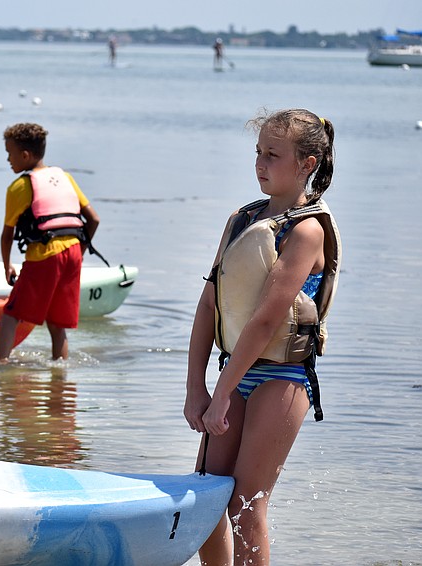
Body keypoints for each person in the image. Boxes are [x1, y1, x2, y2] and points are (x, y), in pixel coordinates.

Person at [183, 109, 341, 565]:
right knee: (206, 500)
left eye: (273, 155)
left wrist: (221, 395)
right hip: (233, 372)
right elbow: (208, 304)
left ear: (307, 163)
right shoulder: (241, 220)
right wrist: (197, 388)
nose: (260, 163)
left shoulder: (307, 231)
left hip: (281, 377)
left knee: (246, 505)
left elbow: (266, 322)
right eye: (258, 153)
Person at [0, 123, 100, 361]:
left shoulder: (20, 186)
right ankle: (60, 378)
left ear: (24, 155)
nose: (8, 159)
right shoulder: (65, 177)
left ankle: (0, 368)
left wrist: (6, 265)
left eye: (9, 153)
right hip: (73, 253)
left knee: (11, 315)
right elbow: (93, 219)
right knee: (57, 324)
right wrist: (80, 250)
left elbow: (7, 234)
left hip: (45, 255)